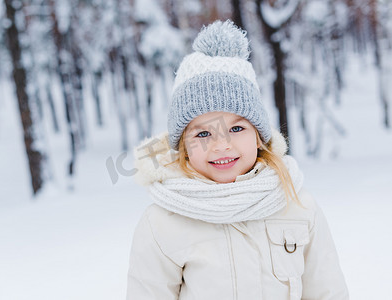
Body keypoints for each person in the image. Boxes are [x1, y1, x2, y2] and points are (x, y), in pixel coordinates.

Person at [126, 20, 348, 300]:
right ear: (183, 145)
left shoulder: (296, 204)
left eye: (237, 128)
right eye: (203, 133)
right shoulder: (162, 223)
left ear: (258, 136)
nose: (221, 145)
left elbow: (327, 291)